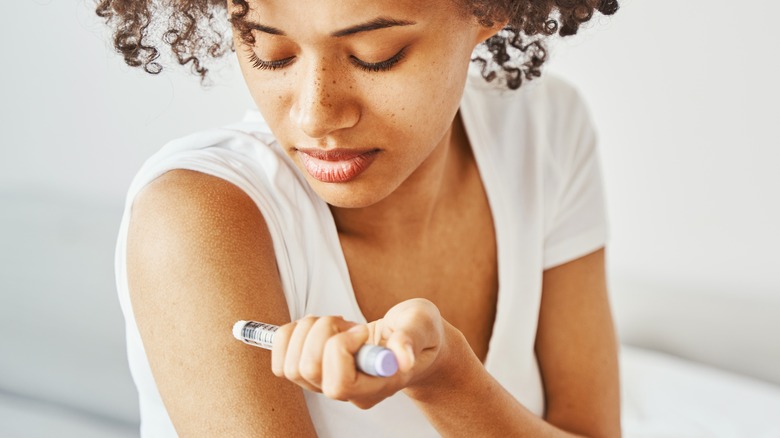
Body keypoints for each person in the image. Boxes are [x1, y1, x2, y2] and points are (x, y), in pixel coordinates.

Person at [100, 0, 621, 436]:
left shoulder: (544, 129)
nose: (315, 115)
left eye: (376, 55)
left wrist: (445, 378)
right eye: (269, 52)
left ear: (489, 12)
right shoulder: (194, 219)